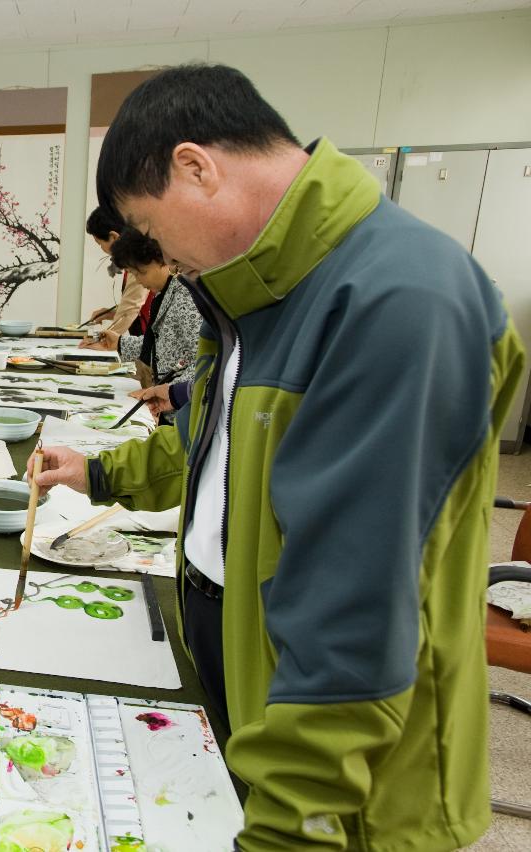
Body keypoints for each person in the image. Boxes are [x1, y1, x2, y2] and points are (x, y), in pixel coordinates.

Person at [33, 63, 523, 849]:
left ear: (196, 168)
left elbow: (353, 616)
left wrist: (293, 830)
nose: (152, 249)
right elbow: (215, 445)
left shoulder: (398, 298)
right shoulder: (259, 288)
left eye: (148, 223)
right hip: (234, 648)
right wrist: (98, 473)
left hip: (336, 749)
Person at [80, 228, 199, 390]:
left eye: (139, 272)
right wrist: (119, 343)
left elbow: (202, 361)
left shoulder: (185, 295)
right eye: (132, 274)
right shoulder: (163, 293)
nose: (139, 281)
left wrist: (170, 393)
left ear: (162, 260)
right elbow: (161, 345)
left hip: (177, 406)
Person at [83, 205, 148, 337]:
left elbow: (131, 307)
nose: (102, 249)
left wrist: (104, 341)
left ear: (113, 237)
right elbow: (134, 306)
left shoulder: (138, 260)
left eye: (99, 243)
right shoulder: (136, 256)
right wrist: (111, 314)